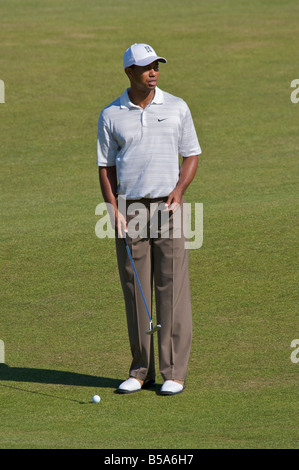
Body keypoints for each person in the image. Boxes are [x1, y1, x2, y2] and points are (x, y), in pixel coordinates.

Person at [97, 43, 202, 395]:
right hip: (131, 210)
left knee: (172, 288)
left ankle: (174, 371)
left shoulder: (176, 107)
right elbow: (106, 167)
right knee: (136, 290)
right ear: (129, 72)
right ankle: (141, 370)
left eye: (156, 65)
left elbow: (191, 155)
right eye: (145, 67)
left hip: (170, 207)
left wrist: (179, 190)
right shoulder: (111, 114)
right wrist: (113, 208)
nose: (153, 72)